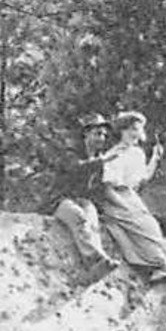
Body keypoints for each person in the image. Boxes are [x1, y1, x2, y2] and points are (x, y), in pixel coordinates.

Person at [93, 110, 166, 284]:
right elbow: (107, 187)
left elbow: (142, 179)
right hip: (114, 198)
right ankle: (160, 265)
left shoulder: (137, 153)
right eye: (131, 129)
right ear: (122, 131)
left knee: (152, 225)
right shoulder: (114, 153)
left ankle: (160, 266)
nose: (135, 134)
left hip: (130, 196)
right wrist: (124, 206)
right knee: (142, 224)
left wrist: (155, 159)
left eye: (138, 130)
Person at [50, 112, 120, 271]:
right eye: (97, 134)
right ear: (86, 134)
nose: (101, 138)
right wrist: (101, 161)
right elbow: (76, 168)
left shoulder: (99, 159)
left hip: (81, 200)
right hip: (59, 201)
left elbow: (95, 189)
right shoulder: (71, 152)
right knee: (78, 217)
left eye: (104, 135)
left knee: (91, 216)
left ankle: (101, 257)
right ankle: (93, 260)